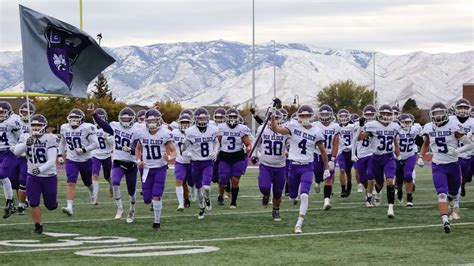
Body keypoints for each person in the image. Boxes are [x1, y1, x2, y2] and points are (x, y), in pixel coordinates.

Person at [270, 105, 330, 234]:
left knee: (304, 195)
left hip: (307, 166)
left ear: (311, 116)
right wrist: (273, 115)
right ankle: (294, 196)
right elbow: (276, 129)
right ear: (299, 116)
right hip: (293, 166)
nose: (305, 118)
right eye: (302, 115)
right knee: (292, 197)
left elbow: (323, 151)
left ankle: (299, 224)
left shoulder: (316, 131)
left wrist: (326, 168)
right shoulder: (293, 126)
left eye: (307, 115)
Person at [418, 102, 472, 233]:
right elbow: (426, 143)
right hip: (438, 165)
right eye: (435, 113)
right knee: (441, 193)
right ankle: (445, 222)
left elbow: (470, 144)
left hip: (453, 165)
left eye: (440, 112)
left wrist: (458, 151)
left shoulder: (453, 125)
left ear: (446, 113)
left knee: (453, 193)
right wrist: (420, 156)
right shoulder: (429, 127)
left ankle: (451, 202)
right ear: (432, 115)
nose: (438, 115)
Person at [92, 107, 140, 223]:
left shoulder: (136, 130)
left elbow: (138, 150)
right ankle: (119, 208)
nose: (125, 121)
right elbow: (104, 126)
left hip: (131, 163)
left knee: (131, 191)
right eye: (123, 118)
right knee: (115, 181)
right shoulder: (115, 126)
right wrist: (94, 114)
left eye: (127, 119)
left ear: (132, 119)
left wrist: (130, 149)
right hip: (118, 161)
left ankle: (132, 208)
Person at [14, 114, 58, 234]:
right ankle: (38, 225)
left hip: (49, 176)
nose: (36, 127)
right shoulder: (26, 136)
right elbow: (17, 153)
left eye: (38, 125)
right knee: (33, 202)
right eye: (33, 125)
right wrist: (26, 143)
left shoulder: (50, 138)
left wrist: (40, 169)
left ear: (44, 126)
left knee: (51, 206)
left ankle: (53, 203)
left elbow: (51, 160)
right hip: (32, 176)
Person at [135, 109, 176, 230]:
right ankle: (153, 203)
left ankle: (157, 221)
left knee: (157, 194)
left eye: (154, 121)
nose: (152, 123)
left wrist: (168, 157)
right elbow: (138, 149)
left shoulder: (165, 133)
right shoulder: (141, 132)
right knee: (147, 199)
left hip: (160, 168)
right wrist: (138, 161)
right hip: (147, 168)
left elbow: (173, 151)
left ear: (159, 121)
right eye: (149, 121)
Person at [358, 104, 400, 218]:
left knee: (390, 180)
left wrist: (398, 154)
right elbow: (359, 138)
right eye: (384, 114)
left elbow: (395, 141)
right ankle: (375, 193)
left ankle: (390, 207)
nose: (386, 116)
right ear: (379, 114)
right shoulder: (372, 125)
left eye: (388, 114)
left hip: (389, 157)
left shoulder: (395, 126)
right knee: (379, 183)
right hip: (376, 157)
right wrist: (361, 127)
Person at [58, 108, 98, 216]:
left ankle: (92, 192)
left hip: (86, 160)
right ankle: (69, 207)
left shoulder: (87, 128)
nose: (74, 120)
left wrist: (84, 150)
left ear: (82, 119)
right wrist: (59, 155)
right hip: (71, 160)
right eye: (72, 117)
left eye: (76, 117)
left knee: (87, 182)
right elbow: (62, 142)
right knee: (71, 182)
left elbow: (95, 144)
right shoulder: (64, 128)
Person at [182, 107, 220, 219]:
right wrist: (186, 152)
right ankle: (201, 207)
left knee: (207, 187)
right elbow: (184, 148)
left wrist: (215, 151)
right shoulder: (190, 131)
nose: (202, 121)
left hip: (208, 162)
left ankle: (207, 199)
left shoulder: (213, 129)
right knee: (198, 188)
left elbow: (216, 143)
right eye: (200, 118)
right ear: (195, 119)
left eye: (204, 118)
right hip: (195, 163)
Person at [252, 109, 288, 221]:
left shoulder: (285, 131)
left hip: (280, 166)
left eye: (277, 118)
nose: (274, 120)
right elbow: (256, 143)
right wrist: (254, 154)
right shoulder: (262, 129)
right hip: (266, 164)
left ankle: (276, 210)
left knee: (278, 192)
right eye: (272, 118)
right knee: (264, 187)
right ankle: (266, 195)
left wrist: (289, 150)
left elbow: (290, 144)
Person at [217, 108, 251, 208]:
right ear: (226, 117)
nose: (232, 118)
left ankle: (233, 201)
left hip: (237, 156)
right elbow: (217, 142)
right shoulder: (221, 127)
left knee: (235, 180)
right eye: (230, 116)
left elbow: (248, 143)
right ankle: (221, 194)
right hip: (224, 156)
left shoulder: (242, 128)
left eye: (234, 117)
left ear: (237, 118)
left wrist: (249, 147)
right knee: (223, 178)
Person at [312, 105, 339, 210]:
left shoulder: (335, 126)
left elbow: (336, 144)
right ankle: (317, 181)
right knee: (319, 176)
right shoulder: (315, 125)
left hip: (328, 154)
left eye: (326, 114)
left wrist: (333, 158)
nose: (324, 116)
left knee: (328, 178)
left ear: (330, 115)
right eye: (322, 114)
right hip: (317, 154)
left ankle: (326, 201)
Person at [12, 102, 34, 215]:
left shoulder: (34, 123)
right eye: (23, 111)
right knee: (15, 181)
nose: (25, 114)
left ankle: (22, 203)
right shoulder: (14, 120)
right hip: (13, 153)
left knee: (22, 180)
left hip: (26, 155)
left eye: (28, 112)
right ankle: (22, 201)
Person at [395, 114, 421, 207]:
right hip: (397, 156)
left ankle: (409, 198)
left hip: (410, 155)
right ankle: (399, 191)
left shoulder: (415, 129)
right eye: (404, 122)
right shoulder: (396, 131)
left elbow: (420, 141)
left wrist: (420, 155)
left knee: (408, 176)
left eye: (408, 122)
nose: (407, 124)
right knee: (399, 179)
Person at [353, 106, 376, 207]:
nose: (370, 116)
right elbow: (356, 139)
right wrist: (353, 154)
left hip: (372, 153)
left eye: (371, 114)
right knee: (363, 179)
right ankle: (368, 190)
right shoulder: (356, 125)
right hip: (361, 154)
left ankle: (370, 196)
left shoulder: (377, 125)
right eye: (367, 114)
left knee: (370, 175)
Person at [0, 101, 20, 218]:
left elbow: (21, 137)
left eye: (2, 112)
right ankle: (10, 202)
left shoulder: (12, 122)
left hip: (9, 152)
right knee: (2, 177)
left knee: (2, 174)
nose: (0, 114)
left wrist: (17, 147)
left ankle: (10, 201)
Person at [91, 108, 114, 204]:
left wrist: (107, 138)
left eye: (102, 117)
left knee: (107, 176)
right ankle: (94, 197)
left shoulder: (109, 127)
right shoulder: (91, 128)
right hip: (95, 154)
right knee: (95, 175)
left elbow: (114, 142)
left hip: (107, 154)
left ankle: (111, 185)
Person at [171, 113, 193, 210]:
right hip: (180, 161)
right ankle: (182, 202)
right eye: (183, 122)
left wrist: (191, 153)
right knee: (180, 180)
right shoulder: (174, 133)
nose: (184, 124)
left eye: (187, 122)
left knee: (192, 182)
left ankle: (192, 192)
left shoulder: (194, 132)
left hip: (193, 161)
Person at [336, 109, 356, 197]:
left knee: (348, 171)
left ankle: (349, 185)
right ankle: (343, 189)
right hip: (341, 152)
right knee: (342, 170)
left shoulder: (353, 126)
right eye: (341, 116)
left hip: (351, 151)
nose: (343, 118)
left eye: (345, 116)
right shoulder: (336, 127)